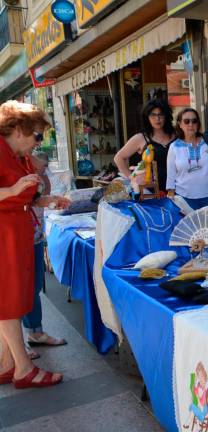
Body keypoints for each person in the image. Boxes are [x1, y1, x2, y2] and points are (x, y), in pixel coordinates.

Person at [0, 101, 71, 389]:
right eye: (37, 135)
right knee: (8, 302)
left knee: (12, 299)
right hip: (4, 235)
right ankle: (23, 368)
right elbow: (13, 193)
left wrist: (44, 200)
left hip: (16, 232)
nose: (39, 142)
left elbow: (22, 199)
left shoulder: (16, 155)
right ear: (18, 129)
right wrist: (15, 189)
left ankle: (7, 364)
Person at [24, 152, 66, 359]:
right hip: (16, 238)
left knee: (34, 287)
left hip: (35, 235)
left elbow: (40, 196)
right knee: (17, 290)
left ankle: (35, 332)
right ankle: (13, 346)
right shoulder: (15, 163)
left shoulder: (36, 170)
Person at [166, 108, 208, 209]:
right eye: (186, 121)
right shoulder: (174, 146)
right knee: (189, 225)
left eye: (194, 121)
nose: (190, 124)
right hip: (184, 198)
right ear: (180, 124)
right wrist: (171, 196)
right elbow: (171, 174)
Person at [113, 98, 175, 191]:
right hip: (151, 192)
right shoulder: (141, 138)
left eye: (160, 114)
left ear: (166, 116)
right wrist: (131, 177)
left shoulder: (177, 136)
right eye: (153, 115)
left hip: (178, 190)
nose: (157, 119)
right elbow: (118, 158)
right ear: (147, 117)